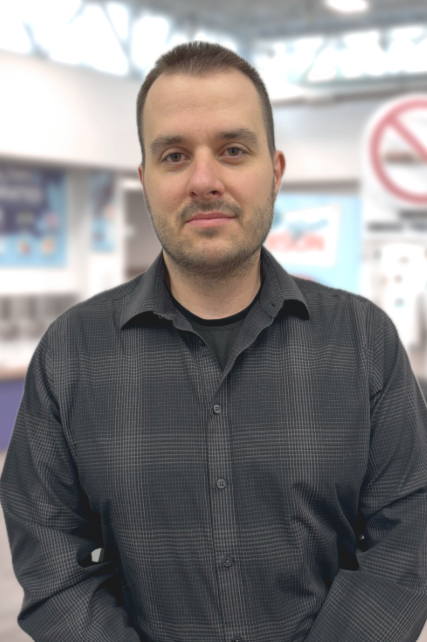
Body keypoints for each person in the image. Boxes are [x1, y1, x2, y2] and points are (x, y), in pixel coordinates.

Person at [1, 41, 427, 642]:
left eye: (232, 150)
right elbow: (51, 561)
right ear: (146, 180)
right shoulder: (71, 354)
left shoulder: (364, 343)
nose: (204, 181)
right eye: (175, 155)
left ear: (274, 172)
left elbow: (409, 539)